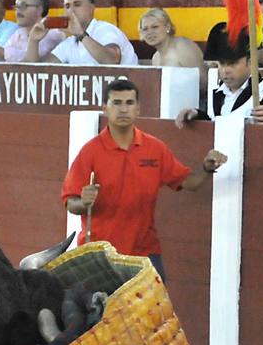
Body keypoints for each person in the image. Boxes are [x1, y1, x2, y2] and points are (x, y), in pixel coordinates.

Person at [63, 77, 227, 281]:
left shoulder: (154, 148)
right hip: (100, 255)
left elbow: (189, 183)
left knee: (155, 312)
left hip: (144, 252)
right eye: (117, 103)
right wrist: (83, 202)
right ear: (105, 108)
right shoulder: (90, 152)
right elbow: (71, 203)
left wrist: (206, 169)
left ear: (138, 109)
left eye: (129, 103)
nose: (123, 110)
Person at [176, 24, 263, 127]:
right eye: (222, 64)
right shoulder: (216, 94)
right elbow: (217, 126)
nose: (225, 70)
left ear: (250, 62)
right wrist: (197, 116)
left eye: (232, 64)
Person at [28, 0, 137, 65]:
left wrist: (81, 34)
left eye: (77, 4)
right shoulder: (70, 42)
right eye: (67, 6)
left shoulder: (105, 29)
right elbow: (37, 71)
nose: (71, 10)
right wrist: (33, 41)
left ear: (92, 8)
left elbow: (111, 60)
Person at [0, 0, 64, 61]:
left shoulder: (52, 34)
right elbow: (7, 54)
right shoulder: (18, 33)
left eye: (24, 6)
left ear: (39, 10)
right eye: (16, 6)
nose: (18, 11)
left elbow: (32, 61)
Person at [138, 8, 202, 68]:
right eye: (145, 29)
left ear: (167, 27)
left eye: (155, 27)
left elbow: (204, 78)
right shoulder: (156, 58)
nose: (150, 32)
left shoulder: (182, 47)